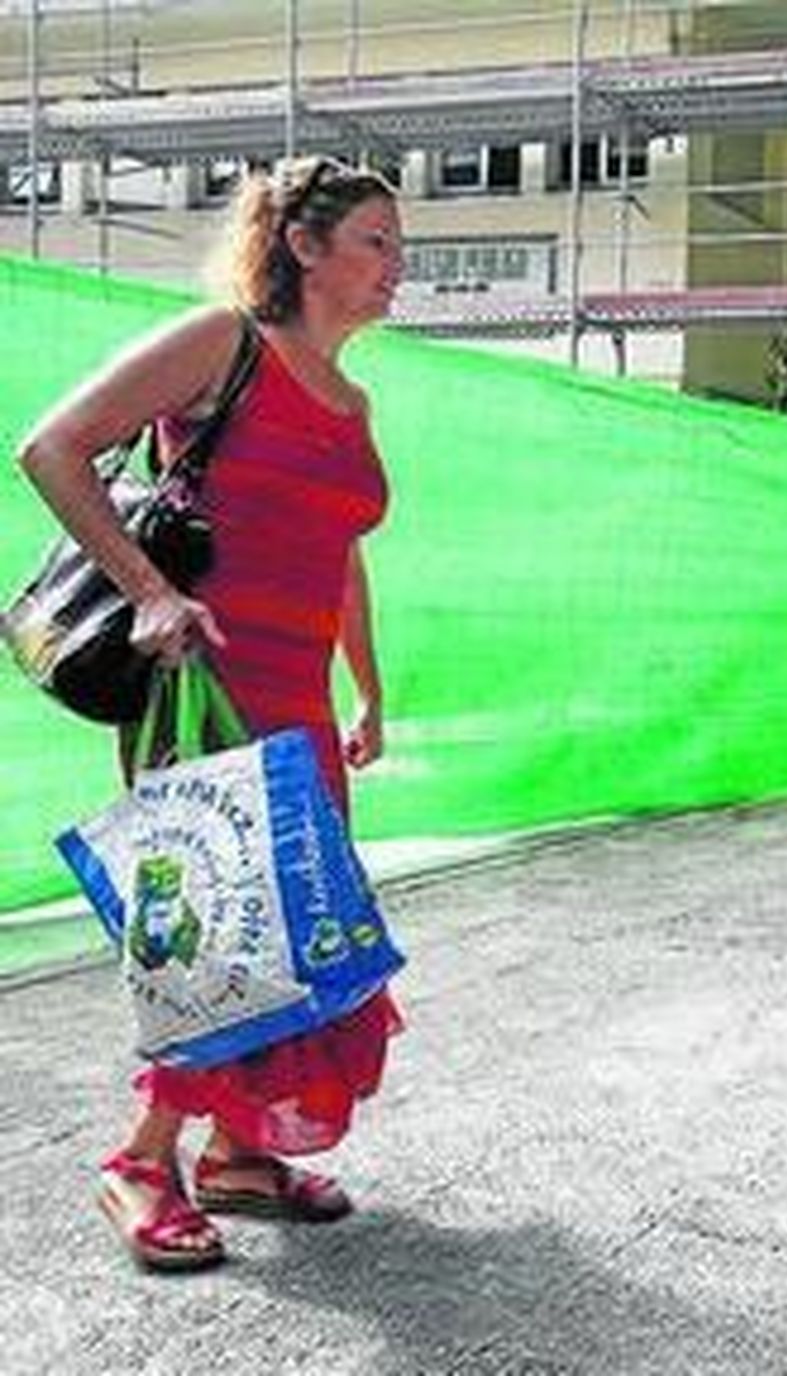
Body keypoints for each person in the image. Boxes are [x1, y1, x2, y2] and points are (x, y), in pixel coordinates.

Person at [15, 155, 406, 1271]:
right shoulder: (223, 344)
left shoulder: (353, 399)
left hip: (302, 700)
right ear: (303, 246)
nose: (397, 266)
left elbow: (339, 561)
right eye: (375, 241)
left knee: (298, 925)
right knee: (217, 925)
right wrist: (149, 589)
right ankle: (142, 1156)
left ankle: (239, 1154)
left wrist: (368, 685)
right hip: (204, 684)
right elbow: (52, 446)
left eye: (399, 246)